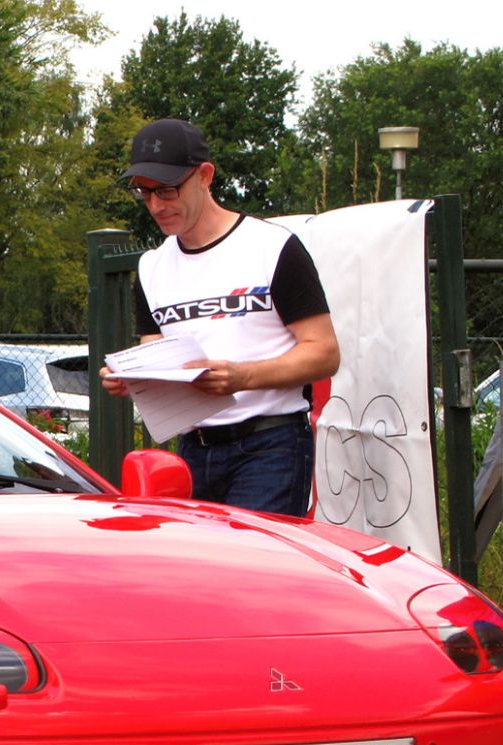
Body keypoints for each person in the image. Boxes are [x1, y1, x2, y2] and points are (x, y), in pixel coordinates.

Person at [100, 118, 340, 516]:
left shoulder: (273, 247)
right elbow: (157, 355)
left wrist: (243, 376)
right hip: (193, 448)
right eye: (144, 192)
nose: (156, 205)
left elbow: (325, 353)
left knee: (256, 573)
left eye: (168, 190)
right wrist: (132, 377)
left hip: (271, 443)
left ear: (205, 176)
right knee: (203, 575)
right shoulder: (151, 267)